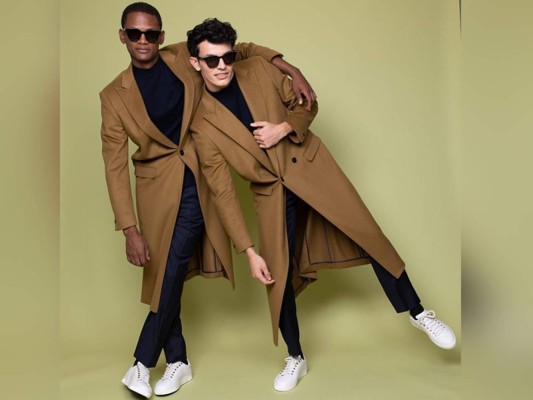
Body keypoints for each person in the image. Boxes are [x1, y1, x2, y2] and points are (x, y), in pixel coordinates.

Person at [187, 18, 457, 392]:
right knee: (277, 273)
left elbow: (306, 105)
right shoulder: (201, 122)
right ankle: (295, 356)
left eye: (227, 57)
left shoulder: (258, 69)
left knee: (368, 235)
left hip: (310, 166)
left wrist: (283, 128)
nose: (222, 67)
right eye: (211, 60)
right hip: (269, 191)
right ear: (195, 62)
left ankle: (418, 312)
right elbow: (221, 190)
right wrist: (247, 250)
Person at [100, 3, 316, 398]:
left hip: (200, 176)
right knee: (165, 272)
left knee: (173, 264)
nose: (143, 40)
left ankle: (141, 362)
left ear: (162, 36)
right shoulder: (114, 96)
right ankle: (178, 361)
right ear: (122, 36)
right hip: (155, 190)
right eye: (134, 33)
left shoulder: (185, 57)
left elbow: (241, 50)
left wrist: (291, 69)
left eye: (151, 33)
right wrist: (129, 229)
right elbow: (114, 165)